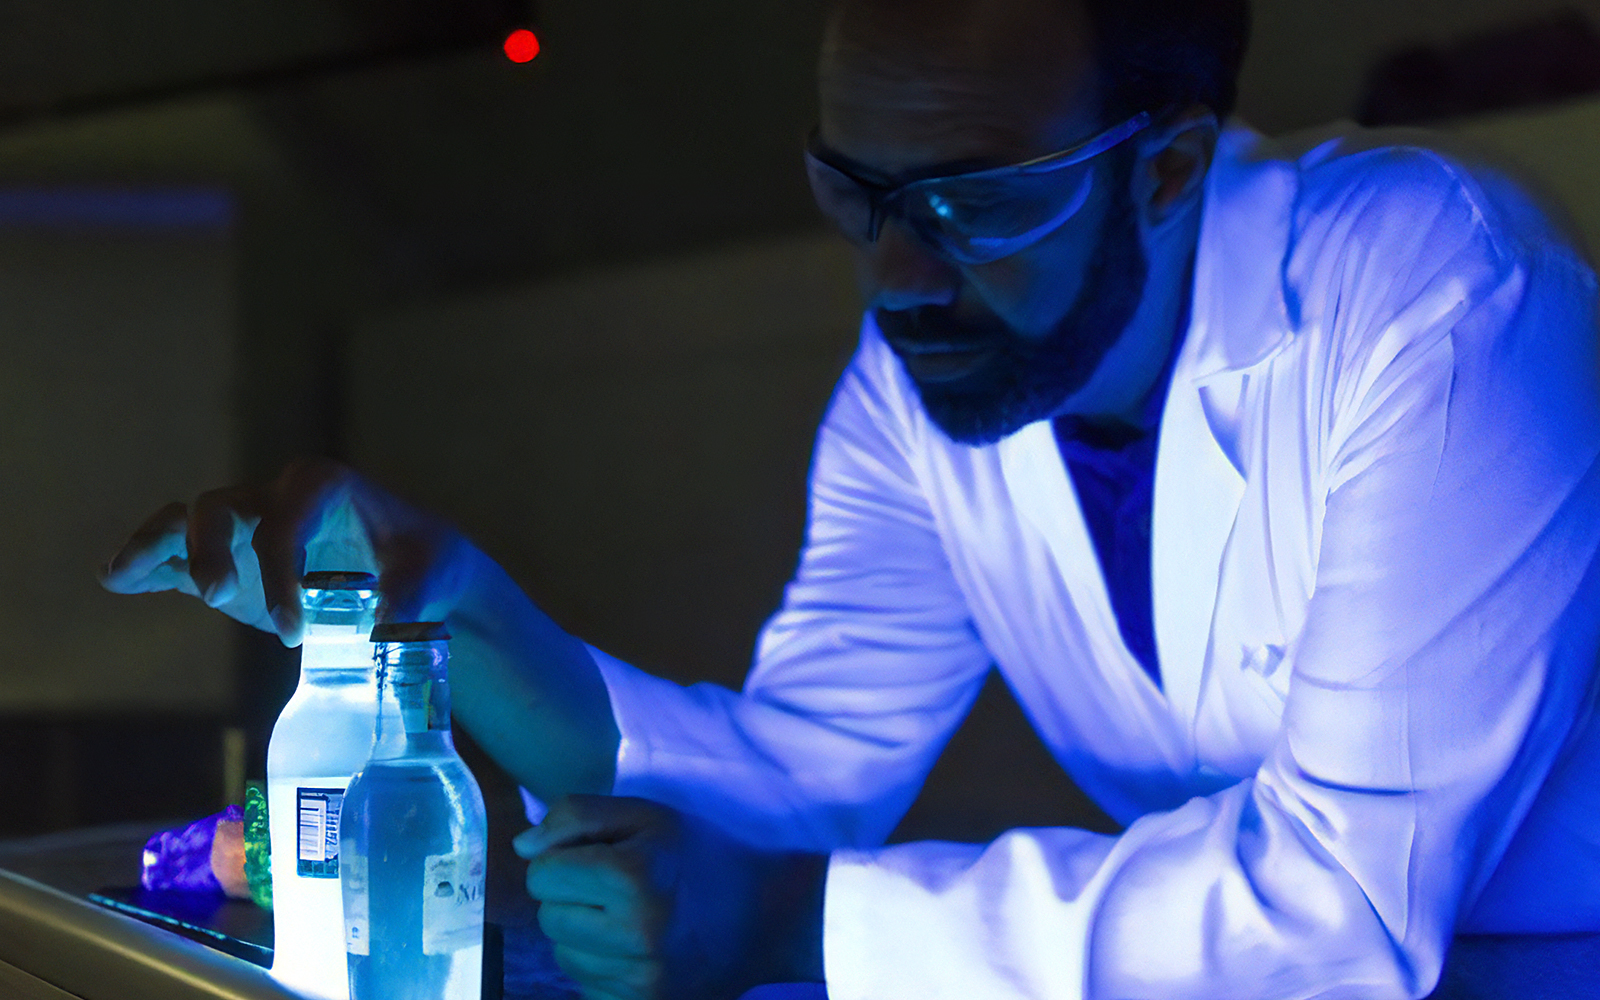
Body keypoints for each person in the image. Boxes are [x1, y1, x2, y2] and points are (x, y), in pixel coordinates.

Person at [102, 0, 1600, 996]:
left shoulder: (1431, 291)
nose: (896, 279)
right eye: (859, 196)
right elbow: (801, 775)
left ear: (1170, 169)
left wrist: (789, 918)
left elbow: (1338, 904)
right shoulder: (924, 395)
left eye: (974, 200)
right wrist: (466, 604)